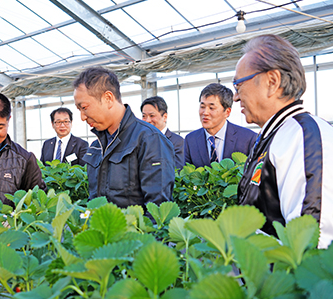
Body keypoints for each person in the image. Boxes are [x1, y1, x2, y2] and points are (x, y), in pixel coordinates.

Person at [234, 34, 333, 249]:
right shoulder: (275, 134)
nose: (235, 97)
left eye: (238, 84)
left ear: (272, 81)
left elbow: (312, 245)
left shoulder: (303, 136)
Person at [73, 67, 175, 211]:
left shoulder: (150, 140)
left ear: (108, 98)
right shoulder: (97, 145)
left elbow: (158, 211)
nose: (82, 117)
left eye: (84, 107)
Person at [184, 83, 257, 168]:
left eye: (211, 108)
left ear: (227, 112)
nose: (205, 113)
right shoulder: (191, 140)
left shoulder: (248, 139)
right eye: (202, 106)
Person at [141, 96, 184, 169]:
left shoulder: (177, 142)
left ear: (165, 117)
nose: (147, 120)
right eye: (144, 116)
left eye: (152, 116)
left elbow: (178, 170)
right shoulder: (140, 141)